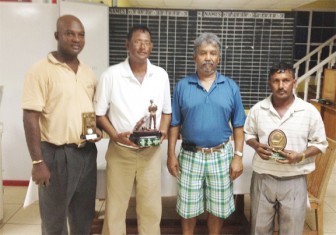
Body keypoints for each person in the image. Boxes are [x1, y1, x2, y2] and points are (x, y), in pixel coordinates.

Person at [22, 15, 102, 235]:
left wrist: (95, 130)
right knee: (54, 220)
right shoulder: (40, 71)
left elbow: (86, 110)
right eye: (70, 33)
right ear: (57, 35)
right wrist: (38, 161)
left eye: (81, 34)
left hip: (85, 153)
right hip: (55, 155)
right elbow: (30, 117)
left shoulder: (87, 72)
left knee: (83, 217)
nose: (76, 39)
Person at [94, 25, 172, 235]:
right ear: (127, 45)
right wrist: (114, 135)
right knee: (115, 209)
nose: (142, 46)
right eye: (138, 41)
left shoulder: (160, 75)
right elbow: (99, 114)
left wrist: (163, 131)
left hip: (150, 152)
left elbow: (166, 111)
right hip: (121, 151)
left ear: (152, 47)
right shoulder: (111, 75)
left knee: (151, 209)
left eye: (147, 42)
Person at [167, 32, 246, 235]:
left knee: (217, 208)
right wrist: (170, 155)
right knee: (188, 208)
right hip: (190, 156)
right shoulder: (182, 86)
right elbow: (174, 123)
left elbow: (238, 125)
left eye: (213, 53)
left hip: (221, 156)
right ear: (195, 57)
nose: (208, 57)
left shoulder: (230, 87)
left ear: (218, 58)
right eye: (203, 53)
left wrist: (238, 156)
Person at [244, 61, 328, 235]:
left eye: (286, 80)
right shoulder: (258, 109)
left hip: (294, 178)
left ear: (294, 82)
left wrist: (301, 155)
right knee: (259, 229)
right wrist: (256, 145)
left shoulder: (308, 111)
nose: (281, 86)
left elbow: (320, 144)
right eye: (276, 80)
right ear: (269, 83)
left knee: (291, 231)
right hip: (263, 177)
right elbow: (249, 134)